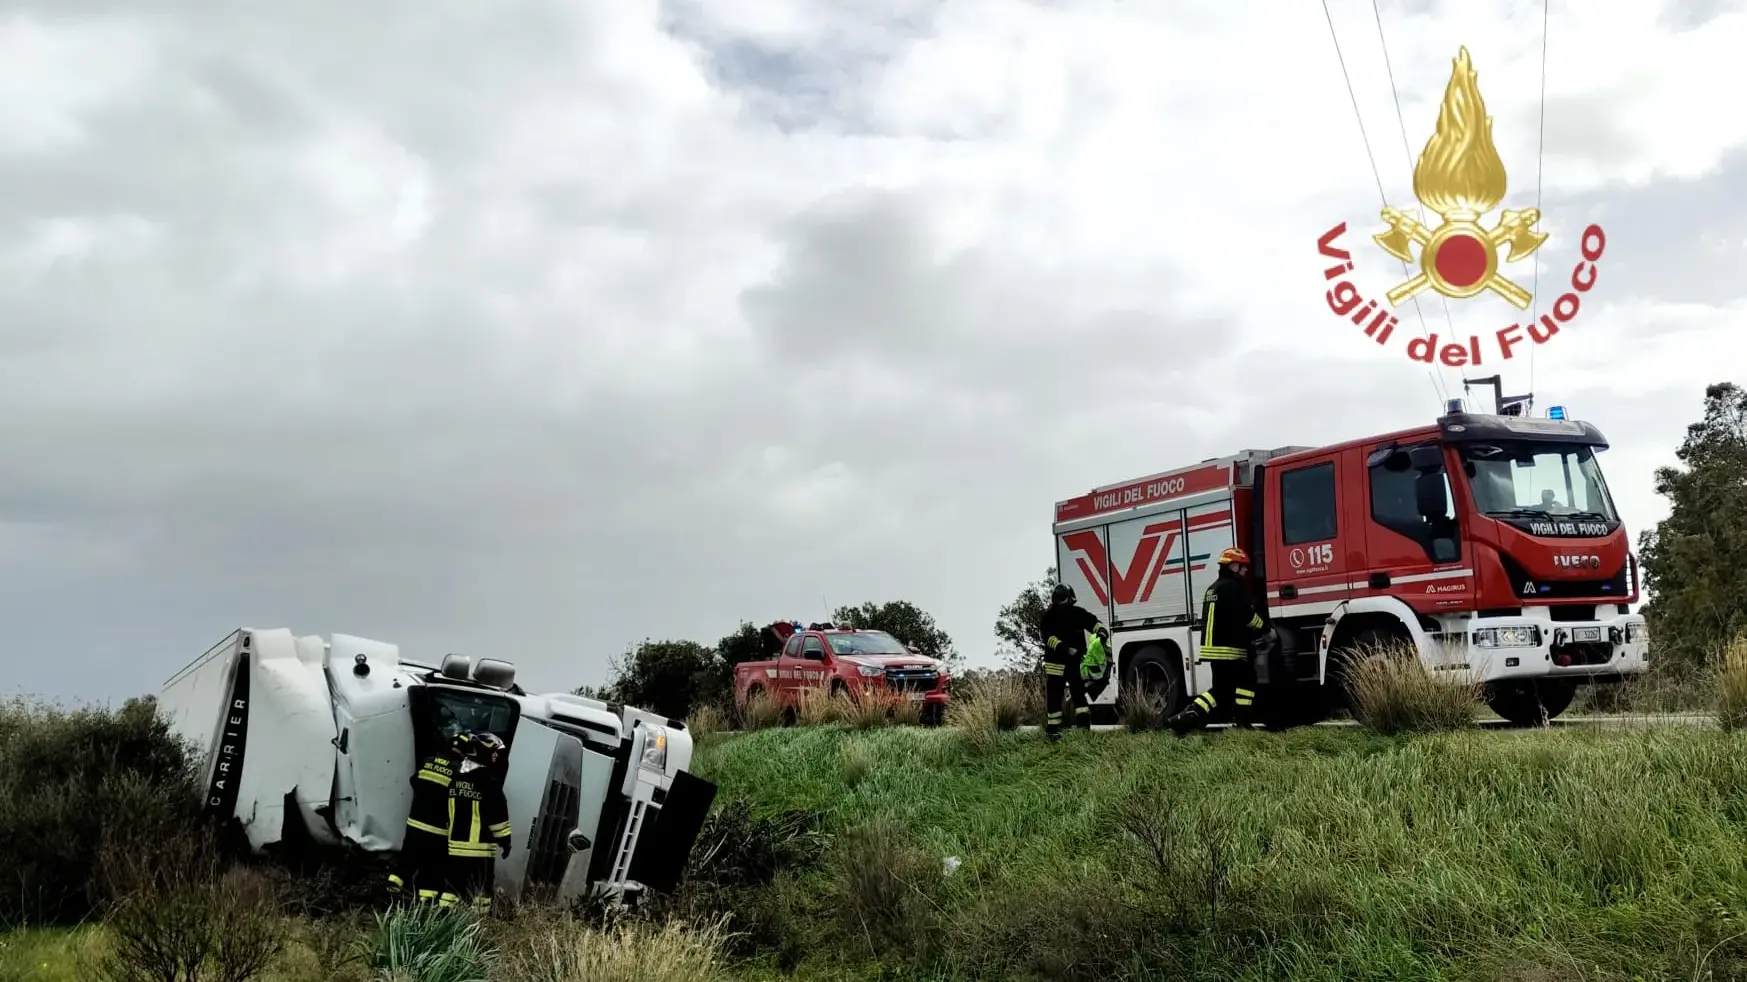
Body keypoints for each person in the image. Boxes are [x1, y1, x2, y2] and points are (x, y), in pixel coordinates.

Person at [1168, 547, 1266, 735]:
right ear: (1233, 566)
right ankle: (1243, 723)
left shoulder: (1213, 588)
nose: (1245, 571)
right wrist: (1265, 627)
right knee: (1246, 681)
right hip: (1228, 649)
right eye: (1243, 567)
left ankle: (1185, 719)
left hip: (1214, 649)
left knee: (1221, 691)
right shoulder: (1232, 587)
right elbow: (1247, 616)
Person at [440, 731, 514, 911]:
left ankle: (441, 920)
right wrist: (505, 841)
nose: (497, 756)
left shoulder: (455, 779)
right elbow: (498, 817)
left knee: (452, 889)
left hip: (454, 849)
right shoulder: (489, 782)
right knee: (481, 893)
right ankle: (478, 927)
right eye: (494, 752)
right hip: (480, 852)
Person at [387, 738, 460, 903]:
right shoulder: (458, 772)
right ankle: (426, 901)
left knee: (407, 858)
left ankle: (393, 885)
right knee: (431, 867)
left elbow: (414, 781)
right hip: (437, 830)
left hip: (414, 824)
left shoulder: (427, 762)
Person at [1038, 582, 1111, 741]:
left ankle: (1084, 730)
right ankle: (1052, 732)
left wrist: (1101, 631)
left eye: (1065, 598)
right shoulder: (1048, 618)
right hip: (1056, 664)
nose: (1063, 602)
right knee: (1055, 697)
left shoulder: (1078, 613)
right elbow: (1048, 639)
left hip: (1075, 663)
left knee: (1079, 695)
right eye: (1060, 599)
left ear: (1071, 598)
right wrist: (1066, 649)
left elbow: (1093, 622)